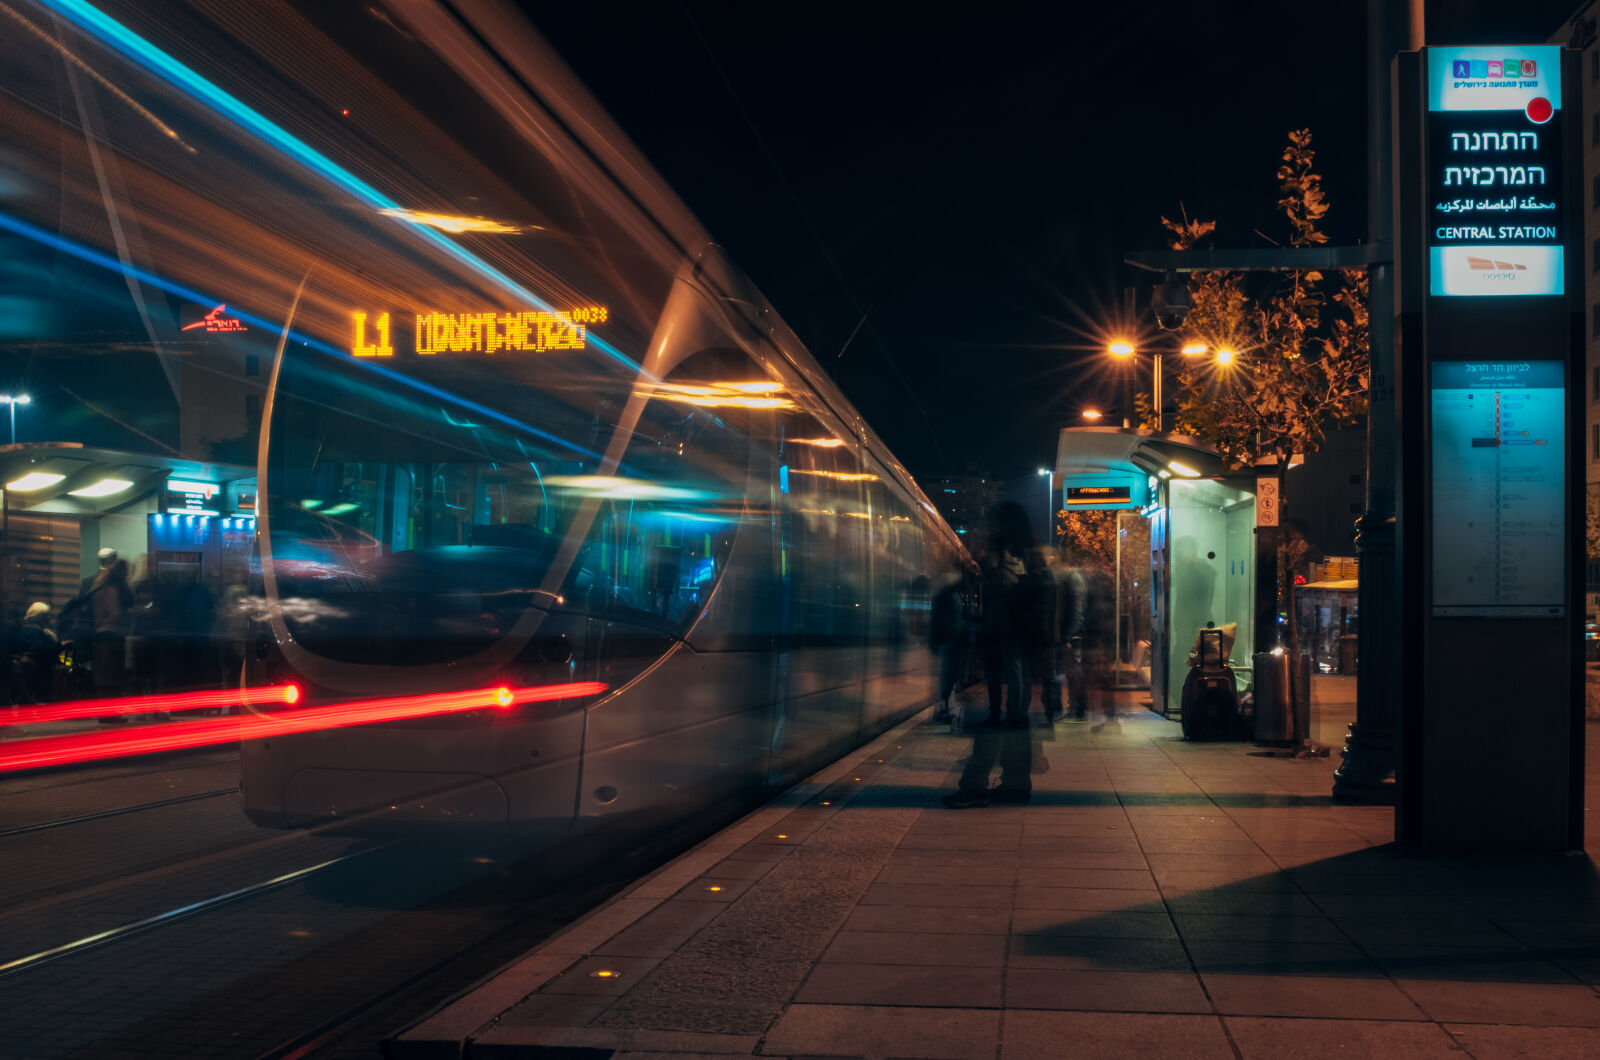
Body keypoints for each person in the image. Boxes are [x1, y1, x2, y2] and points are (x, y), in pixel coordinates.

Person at [943, 502, 1040, 808]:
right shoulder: (1027, 562)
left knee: (992, 725)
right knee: (1012, 726)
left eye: (990, 524)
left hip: (1001, 666)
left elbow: (1003, 621)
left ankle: (975, 787)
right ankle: (1014, 784)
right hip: (1014, 668)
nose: (984, 530)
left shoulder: (1004, 567)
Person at [90, 557, 133, 698]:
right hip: (113, 635)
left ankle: (104, 712)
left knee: (102, 675)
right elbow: (115, 614)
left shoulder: (97, 587)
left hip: (98, 634)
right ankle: (112, 713)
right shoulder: (113, 589)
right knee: (113, 674)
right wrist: (129, 614)